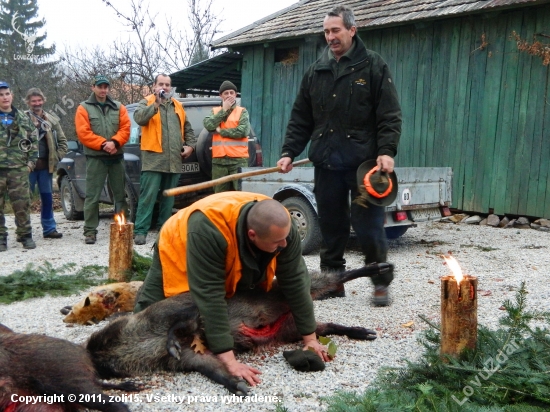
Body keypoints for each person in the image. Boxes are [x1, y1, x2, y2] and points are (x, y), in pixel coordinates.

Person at [134, 191, 330, 385]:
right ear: (252, 235)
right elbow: (209, 294)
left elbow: (296, 281)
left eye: (285, 238)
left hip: (234, 240)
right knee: (148, 314)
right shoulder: (207, 229)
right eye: (278, 242)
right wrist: (228, 360)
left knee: (241, 288)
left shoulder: (282, 229)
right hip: (181, 239)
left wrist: (310, 338)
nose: (284, 244)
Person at [276, 5, 402, 306]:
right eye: (327, 31)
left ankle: (380, 281)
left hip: (364, 168)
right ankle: (332, 282)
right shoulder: (316, 71)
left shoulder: (373, 66)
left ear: (352, 30)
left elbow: (389, 115)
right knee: (331, 225)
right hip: (327, 163)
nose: (330, 36)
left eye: (336, 30)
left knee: (368, 227)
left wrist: (386, 150)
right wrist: (289, 151)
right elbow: (301, 118)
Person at [133, 74, 196, 245]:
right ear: (154, 86)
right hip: (153, 160)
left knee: (169, 198)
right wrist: (156, 104)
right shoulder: (146, 102)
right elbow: (139, 118)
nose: (165, 87)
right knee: (148, 197)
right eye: (161, 84)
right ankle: (140, 231)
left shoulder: (178, 106)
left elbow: (188, 129)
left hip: (174, 160)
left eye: (167, 85)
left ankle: (164, 230)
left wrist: (191, 146)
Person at [75, 75, 130, 245]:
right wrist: (103, 144)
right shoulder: (83, 108)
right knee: (92, 196)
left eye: (106, 87)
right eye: (100, 87)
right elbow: (83, 133)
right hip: (96, 158)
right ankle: (90, 231)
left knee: (120, 195)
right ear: (93, 88)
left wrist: (114, 142)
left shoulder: (119, 107)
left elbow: (126, 128)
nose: (103, 90)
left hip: (116, 157)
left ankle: (121, 228)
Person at [24, 88, 68, 239]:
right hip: (26, 169)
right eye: (33, 101)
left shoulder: (51, 119)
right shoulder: (22, 119)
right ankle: (24, 232)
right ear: (28, 102)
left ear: (43, 100)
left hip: (46, 168)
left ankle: (49, 229)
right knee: (24, 201)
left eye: (39, 100)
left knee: (47, 199)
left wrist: (56, 157)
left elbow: (63, 142)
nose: (37, 103)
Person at [0, 81, 38, 251]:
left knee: (22, 205)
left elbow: (33, 141)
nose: (4, 97)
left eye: (7, 94)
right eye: (1, 95)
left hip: (18, 169)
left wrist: (30, 163)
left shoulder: (23, 118)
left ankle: (25, 235)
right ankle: (1, 238)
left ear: (12, 95)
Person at [203, 80, 251, 193]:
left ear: (235, 94)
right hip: (219, 162)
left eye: (231, 92)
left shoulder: (242, 111)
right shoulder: (215, 111)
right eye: (226, 93)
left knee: (240, 194)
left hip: (238, 161)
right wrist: (224, 110)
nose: (229, 95)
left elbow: (243, 131)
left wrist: (221, 131)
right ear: (221, 96)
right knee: (219, 196)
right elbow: (209, 125)